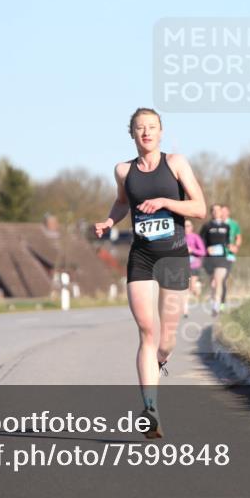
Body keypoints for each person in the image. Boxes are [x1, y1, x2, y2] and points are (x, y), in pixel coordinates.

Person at [94, 108, 206, 439]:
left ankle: (158, 364)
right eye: (140, 128)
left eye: (152, 127)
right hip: (141, 257)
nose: (146, 132)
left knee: (166, 340)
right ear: (132, 133)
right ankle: (151, 409)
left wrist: (165, 202)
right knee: (147, 331)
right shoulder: (123, 170)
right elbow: (121, 202)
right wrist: (109, 221)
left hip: (174, 257)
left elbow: (199, 208)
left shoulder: (176, 164)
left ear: (161, 132)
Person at [199, 205, 231, 317]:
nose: (217, 212)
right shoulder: (207, 226)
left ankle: (216, 305)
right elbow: (201, 241)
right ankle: (214, 301)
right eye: (214, 211)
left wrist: (229, 247)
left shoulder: (226, 226)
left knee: (218, 281)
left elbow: (227, 242)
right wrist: (206, 249)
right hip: (210, 259)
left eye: (218, 210)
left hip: (222, 258)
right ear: (211, 213)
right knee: (213, 283)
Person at [220, 204, 242, 311]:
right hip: (216, 256)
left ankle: (221, 303)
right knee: (215, 280)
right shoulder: (216, 224)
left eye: (224, 211)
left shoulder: (234, 224)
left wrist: (236, 246)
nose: (222, 213)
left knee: (223, 279)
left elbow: (238, 238)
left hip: (229, 255)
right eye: (221, 211)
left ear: (228, 212)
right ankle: (216, 299)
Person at [183, 219, 205, 317]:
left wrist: (192, 250)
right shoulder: (179, 237)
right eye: (184, 226)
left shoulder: (195, 237)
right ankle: (185, 310)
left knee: (191, 287)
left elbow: (203, 252)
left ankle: (197, 286)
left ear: (192, 227)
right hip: (182, 266)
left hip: (194, 265)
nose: (186, 228)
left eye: (188, 226)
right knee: (185, 288)